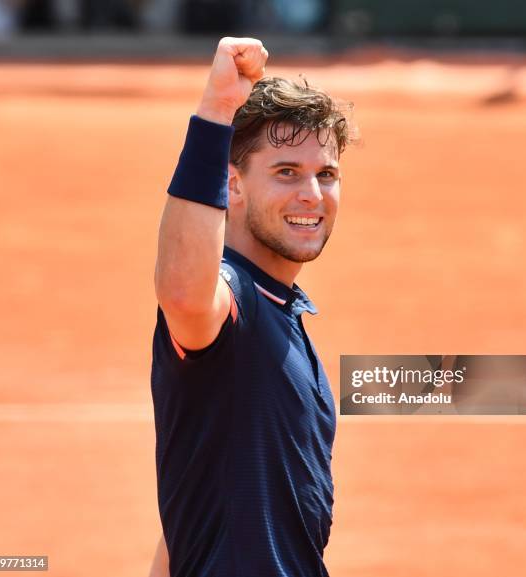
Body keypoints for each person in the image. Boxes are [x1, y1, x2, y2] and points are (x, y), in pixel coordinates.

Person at [150, 37, 355, 577]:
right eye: (286, 172)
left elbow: (189, 510)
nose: (312, 193)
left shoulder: (285, 313)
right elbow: (181, 290)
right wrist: (216, 112)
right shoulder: (231, 300)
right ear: (232, 185)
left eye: (326, 174)